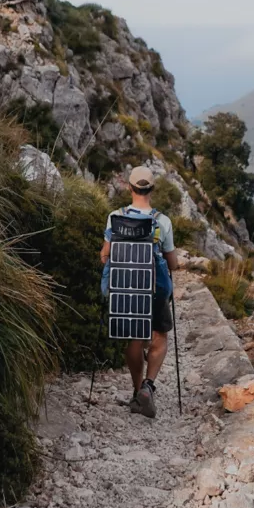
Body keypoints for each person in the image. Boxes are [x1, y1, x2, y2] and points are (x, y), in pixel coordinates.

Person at [101, 166, 178, 419]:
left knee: (134, 338)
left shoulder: (116, 216)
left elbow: (105, 254)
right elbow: (173, 262)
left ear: (129, 187)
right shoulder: (162, 221)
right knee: (160, 336)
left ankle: (136, 392)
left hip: (126, 285)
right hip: (155, 286)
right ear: (152, 189)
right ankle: (149, 386)